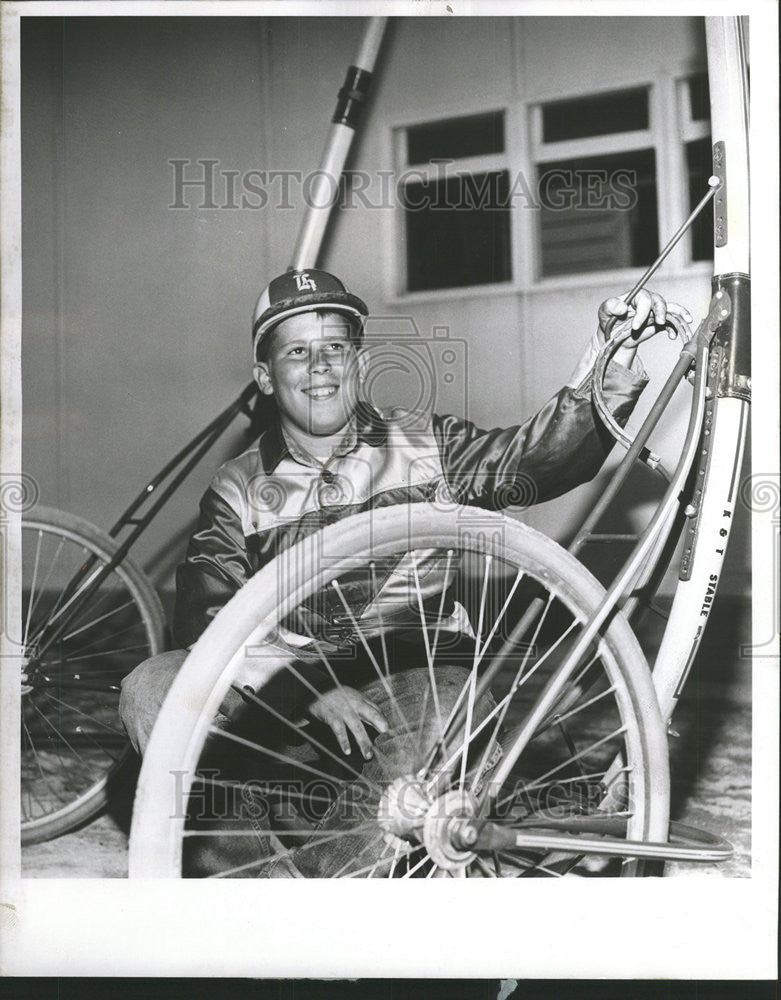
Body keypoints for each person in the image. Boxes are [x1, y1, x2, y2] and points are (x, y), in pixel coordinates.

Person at [118, 267, 688, 875]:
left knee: (443, 721)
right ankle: (256, 885)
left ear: (358, 363)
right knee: (154, 687)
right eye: (296, 352)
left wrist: (609, 369)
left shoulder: (426, 441)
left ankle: (347, 882)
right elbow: (206, 621)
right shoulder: (236, 486)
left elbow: (533, 460)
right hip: (287, 696)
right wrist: (309, 692)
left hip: (415, 678)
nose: (320, 367)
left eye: (336, 347)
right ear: (264, 376)